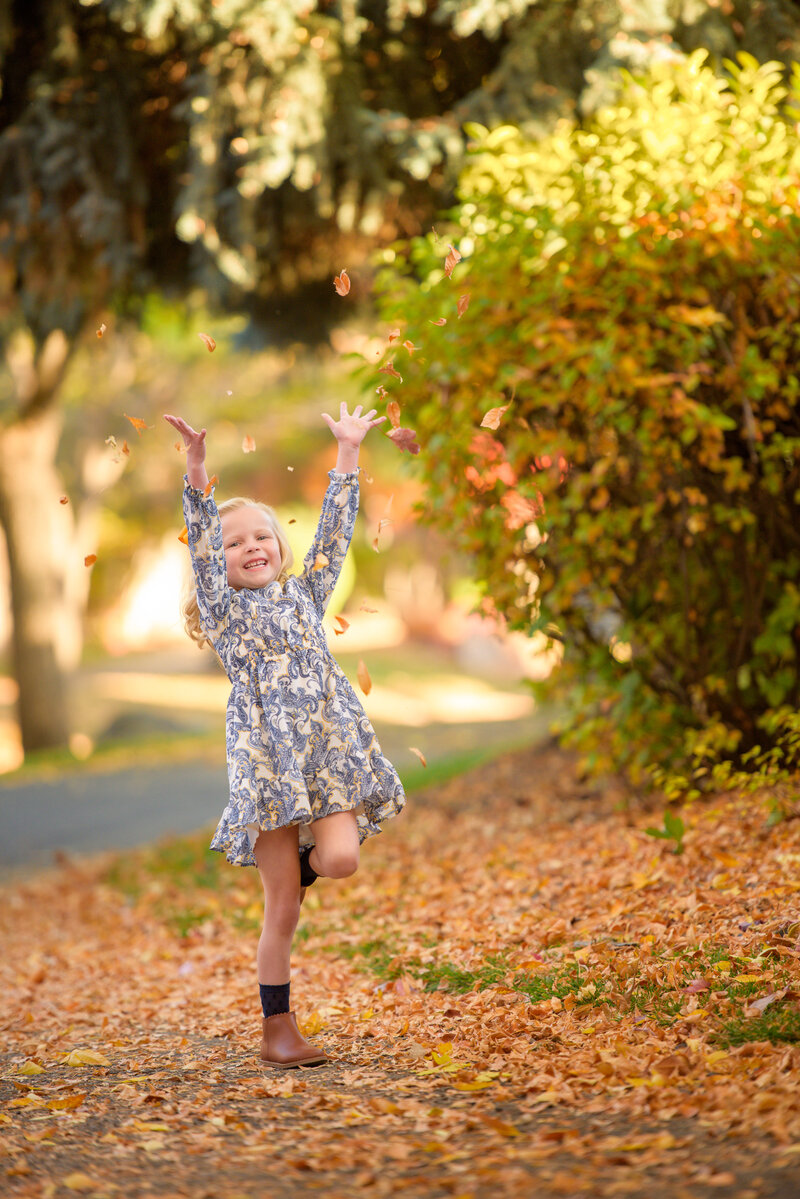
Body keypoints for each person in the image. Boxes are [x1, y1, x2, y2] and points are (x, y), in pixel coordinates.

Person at [164, 404, 406, 1069]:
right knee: (282, 913)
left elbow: (336, 532)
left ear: (279, 545)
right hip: (269, 772)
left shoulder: (306, 594)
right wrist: (196, 468)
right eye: (235, 541)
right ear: (220, 560)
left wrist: (349, 454)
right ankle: (278, 1029)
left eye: (260, 537)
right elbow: (203, 539)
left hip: (329, 758)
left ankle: (302, 868)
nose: (250, 548)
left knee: (343, 859)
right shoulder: (226, 613)